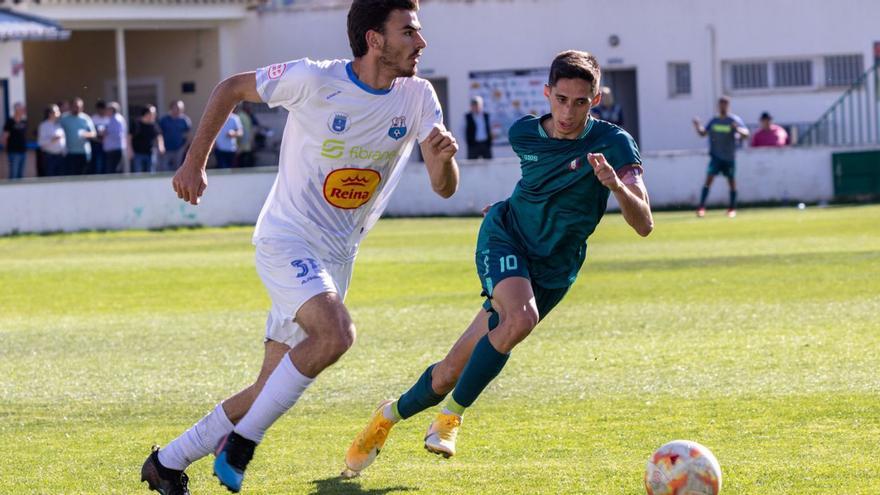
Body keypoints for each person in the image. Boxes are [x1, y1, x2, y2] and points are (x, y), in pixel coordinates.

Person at [140, 1, 459, 493]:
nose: (422, 42)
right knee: (336, 334)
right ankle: (242, 444)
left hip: (338, 256)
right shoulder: (314, 79)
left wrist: (442, 161)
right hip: (286, 238)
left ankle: (167, 461)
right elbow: (230, 88)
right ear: (375, 39)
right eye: (410, 32)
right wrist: (193, 162)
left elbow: (444, 188)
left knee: (270, 385)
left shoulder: (418, 97)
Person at [343, 49, 653, 477]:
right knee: (520, 320)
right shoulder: (523, 134)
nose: (568, 111)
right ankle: (449, 420)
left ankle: (386, 417)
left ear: (595, 100)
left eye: (580, 102)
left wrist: (616, 186)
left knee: (449, 371)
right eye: (561, 99)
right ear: (547, 93)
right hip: (505, 235)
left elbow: (644, 223)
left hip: (554, 268)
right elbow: (537, 186)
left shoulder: (614, 143)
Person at [692, 96, 749, 218]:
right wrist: (697, 126)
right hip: (716, 157)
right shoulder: (714, 120)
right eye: (721, 104)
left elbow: (746, 134)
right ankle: (701, 207)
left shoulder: (733, 120)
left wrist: (737, 129)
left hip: (729, 157)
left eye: (725, 104)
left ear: (728, 106)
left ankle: (732, 209)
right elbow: (703, 133)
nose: (723, 107)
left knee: (731, 182)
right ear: (718, 106)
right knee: (708, 180)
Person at [59, 98, 97, 176]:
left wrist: (87, 134)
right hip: (69, 153)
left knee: (83, 176)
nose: (77, 109)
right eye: (75, 106)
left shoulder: (86, 118)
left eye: (79, 107)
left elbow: (93, 133)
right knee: (71, 176)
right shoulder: (64, 118)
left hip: (84, 152)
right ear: (71, 107)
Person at [129, 105, 165, 173]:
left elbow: (159, 136)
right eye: (153, 113)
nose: (155, 115)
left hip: (150, 153)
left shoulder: (154, 125)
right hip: (138, 153)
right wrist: (129, 150)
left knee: (151, 172)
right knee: (138, 173)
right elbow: (129, 138)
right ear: (146, 114)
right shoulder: (136, 124)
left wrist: (161, 146)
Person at [158, 100, 192, 171]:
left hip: (179, 149)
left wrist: (185, 147)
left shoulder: (185, 120)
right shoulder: (164, 120)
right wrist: (161, 146)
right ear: (171, 108)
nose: (179, 110)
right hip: (166, 149)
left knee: (179, 169)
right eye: (176, 108)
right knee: (164, 168)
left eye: (180, 108)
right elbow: (159, 134)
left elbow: (189, 135)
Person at [37, 104, 66, 177]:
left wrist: (64, 151)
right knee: (50, 178)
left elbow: (63, 139)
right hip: (49, 157)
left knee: (60, 178)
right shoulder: (44, 126)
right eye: (57, 111)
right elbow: (40, 143)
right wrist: (52, 139)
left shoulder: (59, 125)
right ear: (50, 114)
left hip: (60, 156)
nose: (59, 113)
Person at [3, 102, 29, 180]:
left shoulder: (24, 122)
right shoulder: (10, 121)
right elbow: (5, 137)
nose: (23, 111)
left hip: (23, 150)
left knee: (20, 175)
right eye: (22, 109)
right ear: (17, 110)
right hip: (13, 151)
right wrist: (6, 148)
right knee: (14, 174)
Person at [103, 102, 128, 173]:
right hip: (113, 149)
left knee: (114, 171)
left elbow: (118, 135)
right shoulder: (112, 119)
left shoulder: (116, 119)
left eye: (108, 109)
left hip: (115, 149)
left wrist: (106, 133)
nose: (106, 111)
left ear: (112, 110)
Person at [90, 100, 109, 174]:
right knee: (98, 163)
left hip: (107, 144)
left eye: (103, 109)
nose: (101, 111)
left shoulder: (108, 118)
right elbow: (91, 132)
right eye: (100, 109)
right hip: (97, 144)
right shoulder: (93, 119)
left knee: (106, 162)